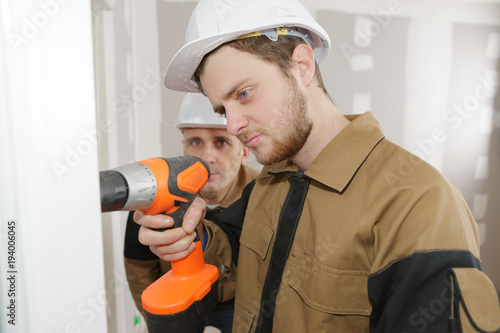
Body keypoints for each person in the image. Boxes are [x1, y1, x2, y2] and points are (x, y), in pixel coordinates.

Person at [134, 0, 500, 332]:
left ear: (302, 66)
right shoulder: (271, 182)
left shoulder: (418, 202)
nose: (232, 125)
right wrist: (188, 238)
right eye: (222, 109)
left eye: (244, 94)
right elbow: (232, 246)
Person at [124, 93, 260, 332]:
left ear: (244, 153)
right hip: (181, 301)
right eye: (195, 142)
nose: (207, 157)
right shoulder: (154, 201)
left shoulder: (263, 196)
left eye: (221, 142)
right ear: (183, 148)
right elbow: (139, 270)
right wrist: (156, 319)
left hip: (239, 301)